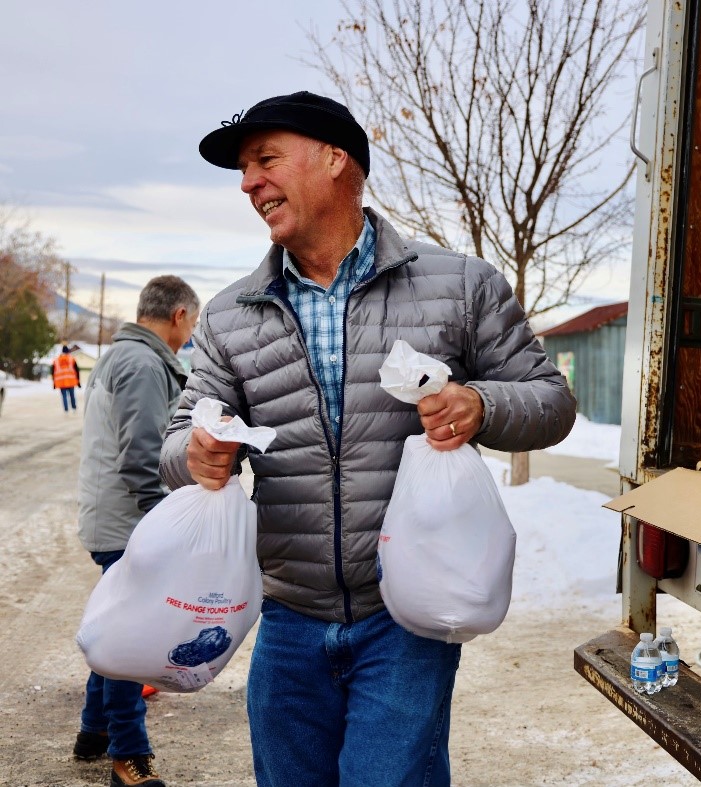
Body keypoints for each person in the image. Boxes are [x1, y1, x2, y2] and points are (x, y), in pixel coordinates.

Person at [159, 91, 576, 787]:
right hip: (287, 621)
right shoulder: (232, 315)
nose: (248, 183)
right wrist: (197, 455)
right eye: (243, 170)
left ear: (335, 158)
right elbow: (178, 439)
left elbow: (551, 402)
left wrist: (479, 403)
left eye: (264, 160)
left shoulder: (461, 286)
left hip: (405, 617)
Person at [75, 275, 200, 787]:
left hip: (117, 517)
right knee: (131, 637)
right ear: (178, 316)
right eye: (192, 321)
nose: (190, 332)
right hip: (130, 521)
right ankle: (129, 754)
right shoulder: (144, 364)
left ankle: (94, 732)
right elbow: (143, 455)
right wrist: (163, 522)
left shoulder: (127, 356)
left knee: (115, 627)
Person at [52, 344, 81, 412]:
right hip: (71, 381)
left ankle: (66, 409)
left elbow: (53, 372)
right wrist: (78, 381)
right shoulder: (72, 359)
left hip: (61, 382)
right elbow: (77, 371)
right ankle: (74, 408)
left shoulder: (56, 360)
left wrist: (54, 383)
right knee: (72, 395)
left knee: (64, 396)